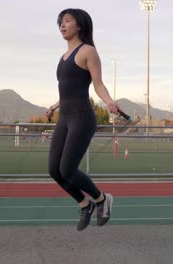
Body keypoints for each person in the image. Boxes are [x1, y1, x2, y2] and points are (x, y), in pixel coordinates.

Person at [46, 8, 124, 231]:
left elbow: (97, 84)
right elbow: (69, 90)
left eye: (67, 21)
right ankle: (84, 203)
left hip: (82, 116)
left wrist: (109, 101)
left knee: (68, 169)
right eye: (61, 21)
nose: (62, 24)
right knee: (54, 170)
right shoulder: (62, 58)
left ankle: (101, 199)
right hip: (65, 117)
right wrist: (53, 106)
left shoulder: (88, 51)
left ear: (79, 25)